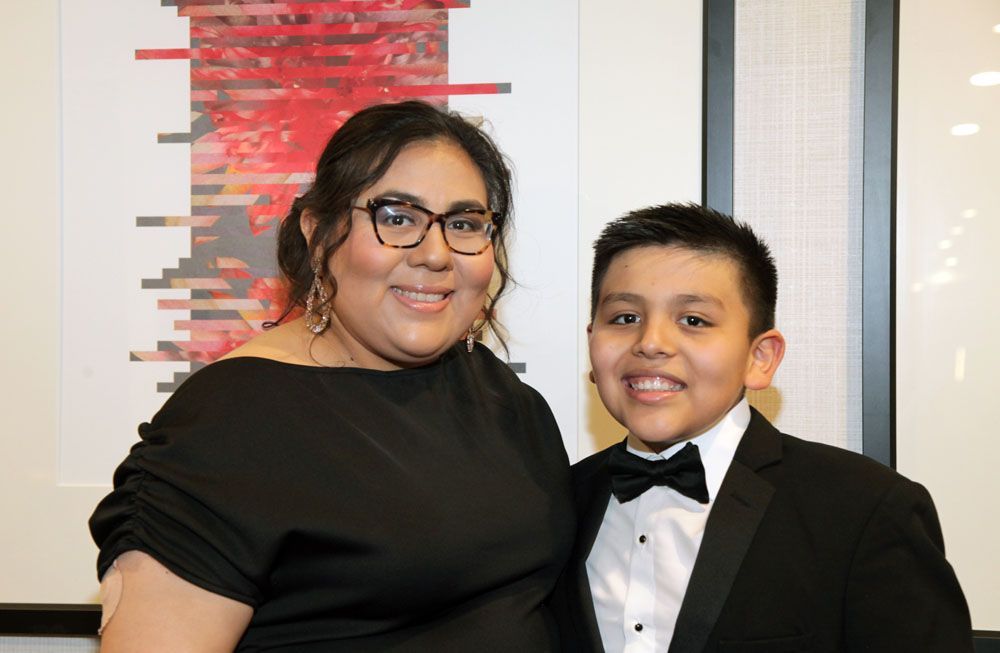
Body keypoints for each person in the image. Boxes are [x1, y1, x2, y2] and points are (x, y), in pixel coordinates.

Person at [89, 100, 574, 652]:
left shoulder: (506, 399)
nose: (436, 254)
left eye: (463, 224)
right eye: (398, 218)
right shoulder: (231, 421)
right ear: (319, 234)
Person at [552, 203, 973, 652]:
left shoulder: (866, 509)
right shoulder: (555, 503)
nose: (651, 343)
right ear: (592, 343)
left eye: (693, 320)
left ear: (760, 358)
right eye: (625, 318)